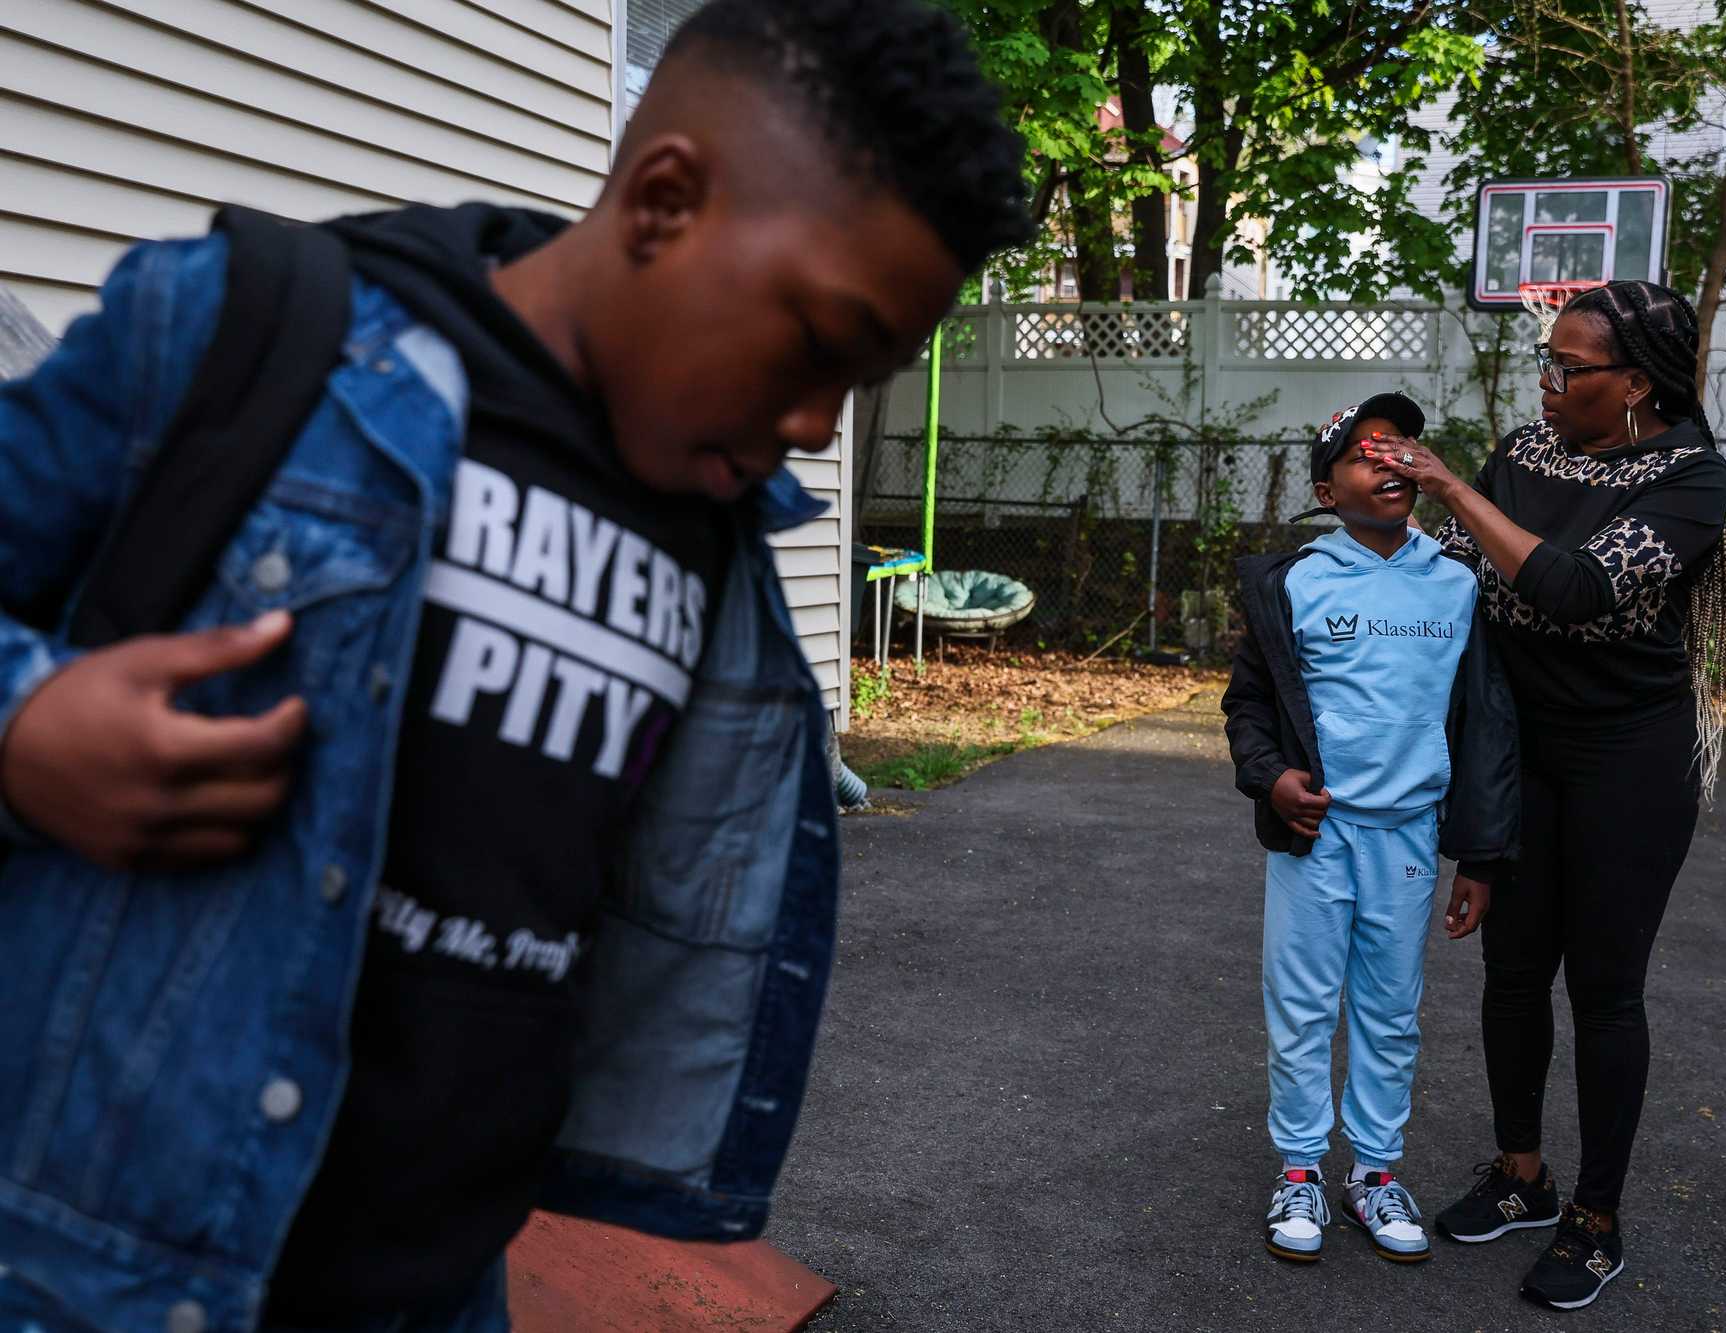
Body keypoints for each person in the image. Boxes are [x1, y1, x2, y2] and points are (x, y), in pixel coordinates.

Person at [0, 2, 1029, 1329]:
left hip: (436, 1288)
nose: (820, 425)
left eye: (867, 379)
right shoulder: (243, 336)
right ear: (665, 199)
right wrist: (25, 731)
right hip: (100, 1275)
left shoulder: (720, 557)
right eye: (821, 343)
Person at [1369, 280, 1726, 1311]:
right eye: (1548, 358)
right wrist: (1346, 539)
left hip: (1627, 755)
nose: (1548, 380)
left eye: (1570, 369)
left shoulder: (1688, 475)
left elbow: (1571, 584)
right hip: (1516, 747)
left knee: (1605, 990)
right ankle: (1521, 1174)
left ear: (1634, 385)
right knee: (1512, 970)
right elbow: (1458, 569)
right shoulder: (1524, 454)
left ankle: (1596, 1219)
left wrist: (1450, 488)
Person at [1222, 392, 1519, 1268]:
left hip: (1409, 839)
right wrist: (1271, 778)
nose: (1388, 464)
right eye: (1364, 453)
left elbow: (1482, 724)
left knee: (1391, 1014)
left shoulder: (1457, 582)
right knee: (1304, 1007)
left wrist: (1481, 851)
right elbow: (1248, 705)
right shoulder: (1292, 584)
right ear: (1325, 488)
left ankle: (1376, 1172)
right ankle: (1303, 1169)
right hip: (1317, 839)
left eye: (1401, 449)